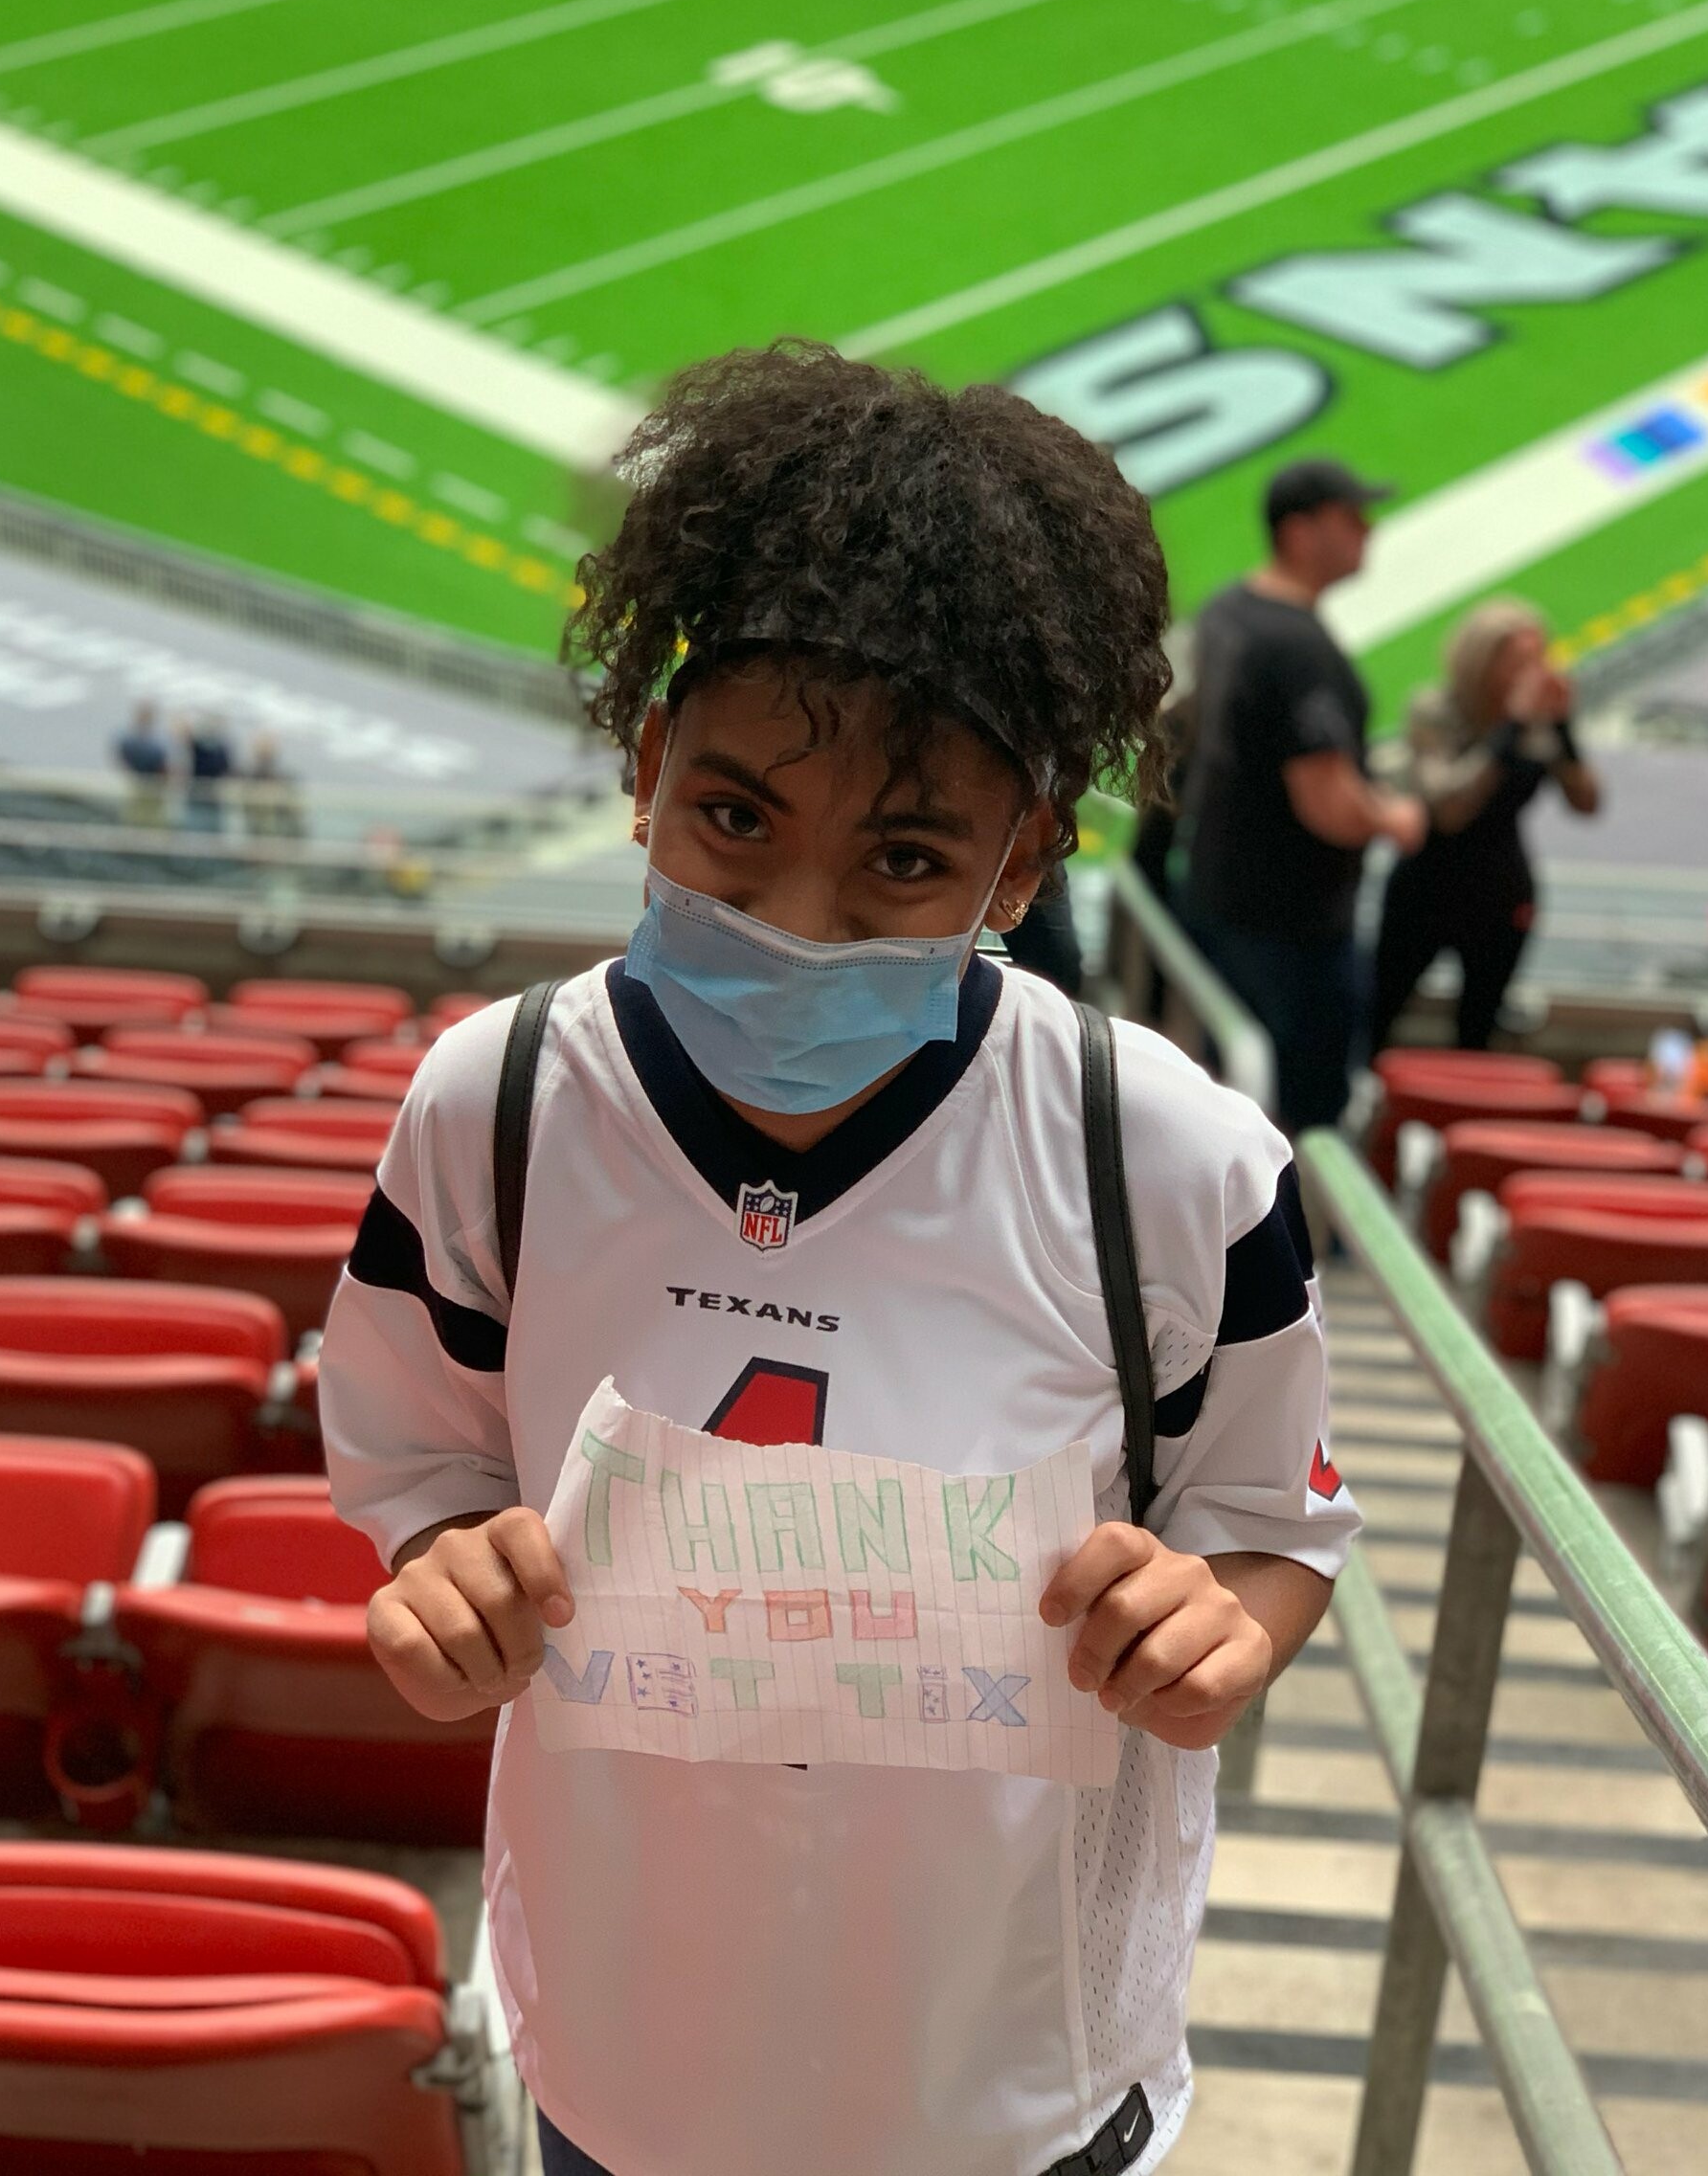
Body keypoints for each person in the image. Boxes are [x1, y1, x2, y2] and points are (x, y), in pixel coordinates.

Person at [321, 343, 1359, 2176]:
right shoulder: (494, 1106)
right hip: (620, 2067)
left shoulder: (1173, 1162)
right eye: (736, 817)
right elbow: (422, 1467)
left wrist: (1224, 1630)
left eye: (903, 857)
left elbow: (1271, 1523)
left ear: (1022, 863)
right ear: (648, 764)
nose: (797, 923)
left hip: (1010, 2088)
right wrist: (436, 1577)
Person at [1177, 458, 1426, 1132]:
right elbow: (1329, 805)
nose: (1368, 531)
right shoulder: (1296, 647)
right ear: (1299, 530)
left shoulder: (1228, 610)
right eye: (1351, 518)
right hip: (1290, 930)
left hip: (1218, 893)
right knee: (1307, 1122)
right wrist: (1396, 816)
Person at [1369, 600, 1601, 1054]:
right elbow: (1448, 809)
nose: (1532, 674)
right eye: (1518, 662)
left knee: (1479, 1027)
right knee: (1379, 1008)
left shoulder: (1541, 724)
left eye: (1538, 659)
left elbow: (1587, 803)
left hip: (1501, 891)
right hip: (1427, 886)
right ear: (1481, 661)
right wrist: (1510, 728)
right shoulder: (1436, 710)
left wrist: (1564, 728)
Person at [112, 700, 170, 831]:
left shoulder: (157, 739)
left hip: (154, 785)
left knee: (151, 819)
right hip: (140, 784)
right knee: (137, 818)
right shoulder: (132, 739)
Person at [180, 714, 233, 834]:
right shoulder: (198, 747)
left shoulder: (220, 749)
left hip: (213, 795)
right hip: (197, 793)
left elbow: (225, 769)